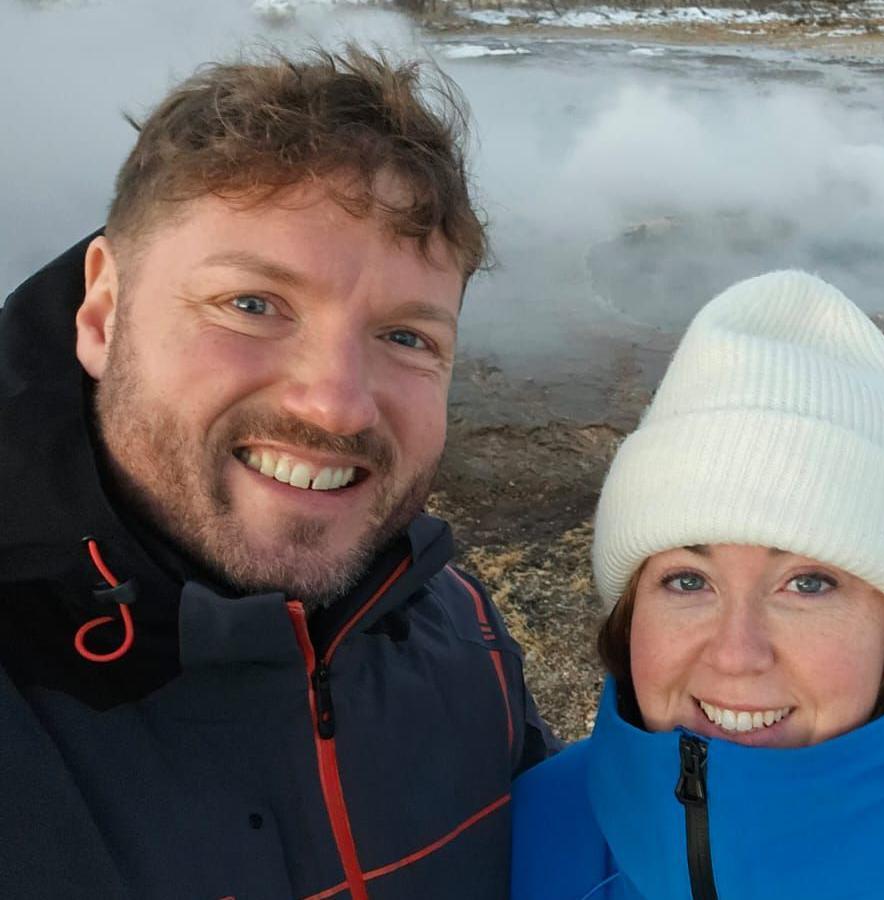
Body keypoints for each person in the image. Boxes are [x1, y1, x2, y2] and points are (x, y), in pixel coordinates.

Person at [0, 48, 555, 898]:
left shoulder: (461, 636)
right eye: (253, 305)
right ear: (104, 311)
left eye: (407, 337)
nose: (337, 407)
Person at [509, 271, 884, 898]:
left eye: (810, 583)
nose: (736, 655)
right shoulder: (511, 848)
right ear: (630, 616)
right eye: (688, 580)